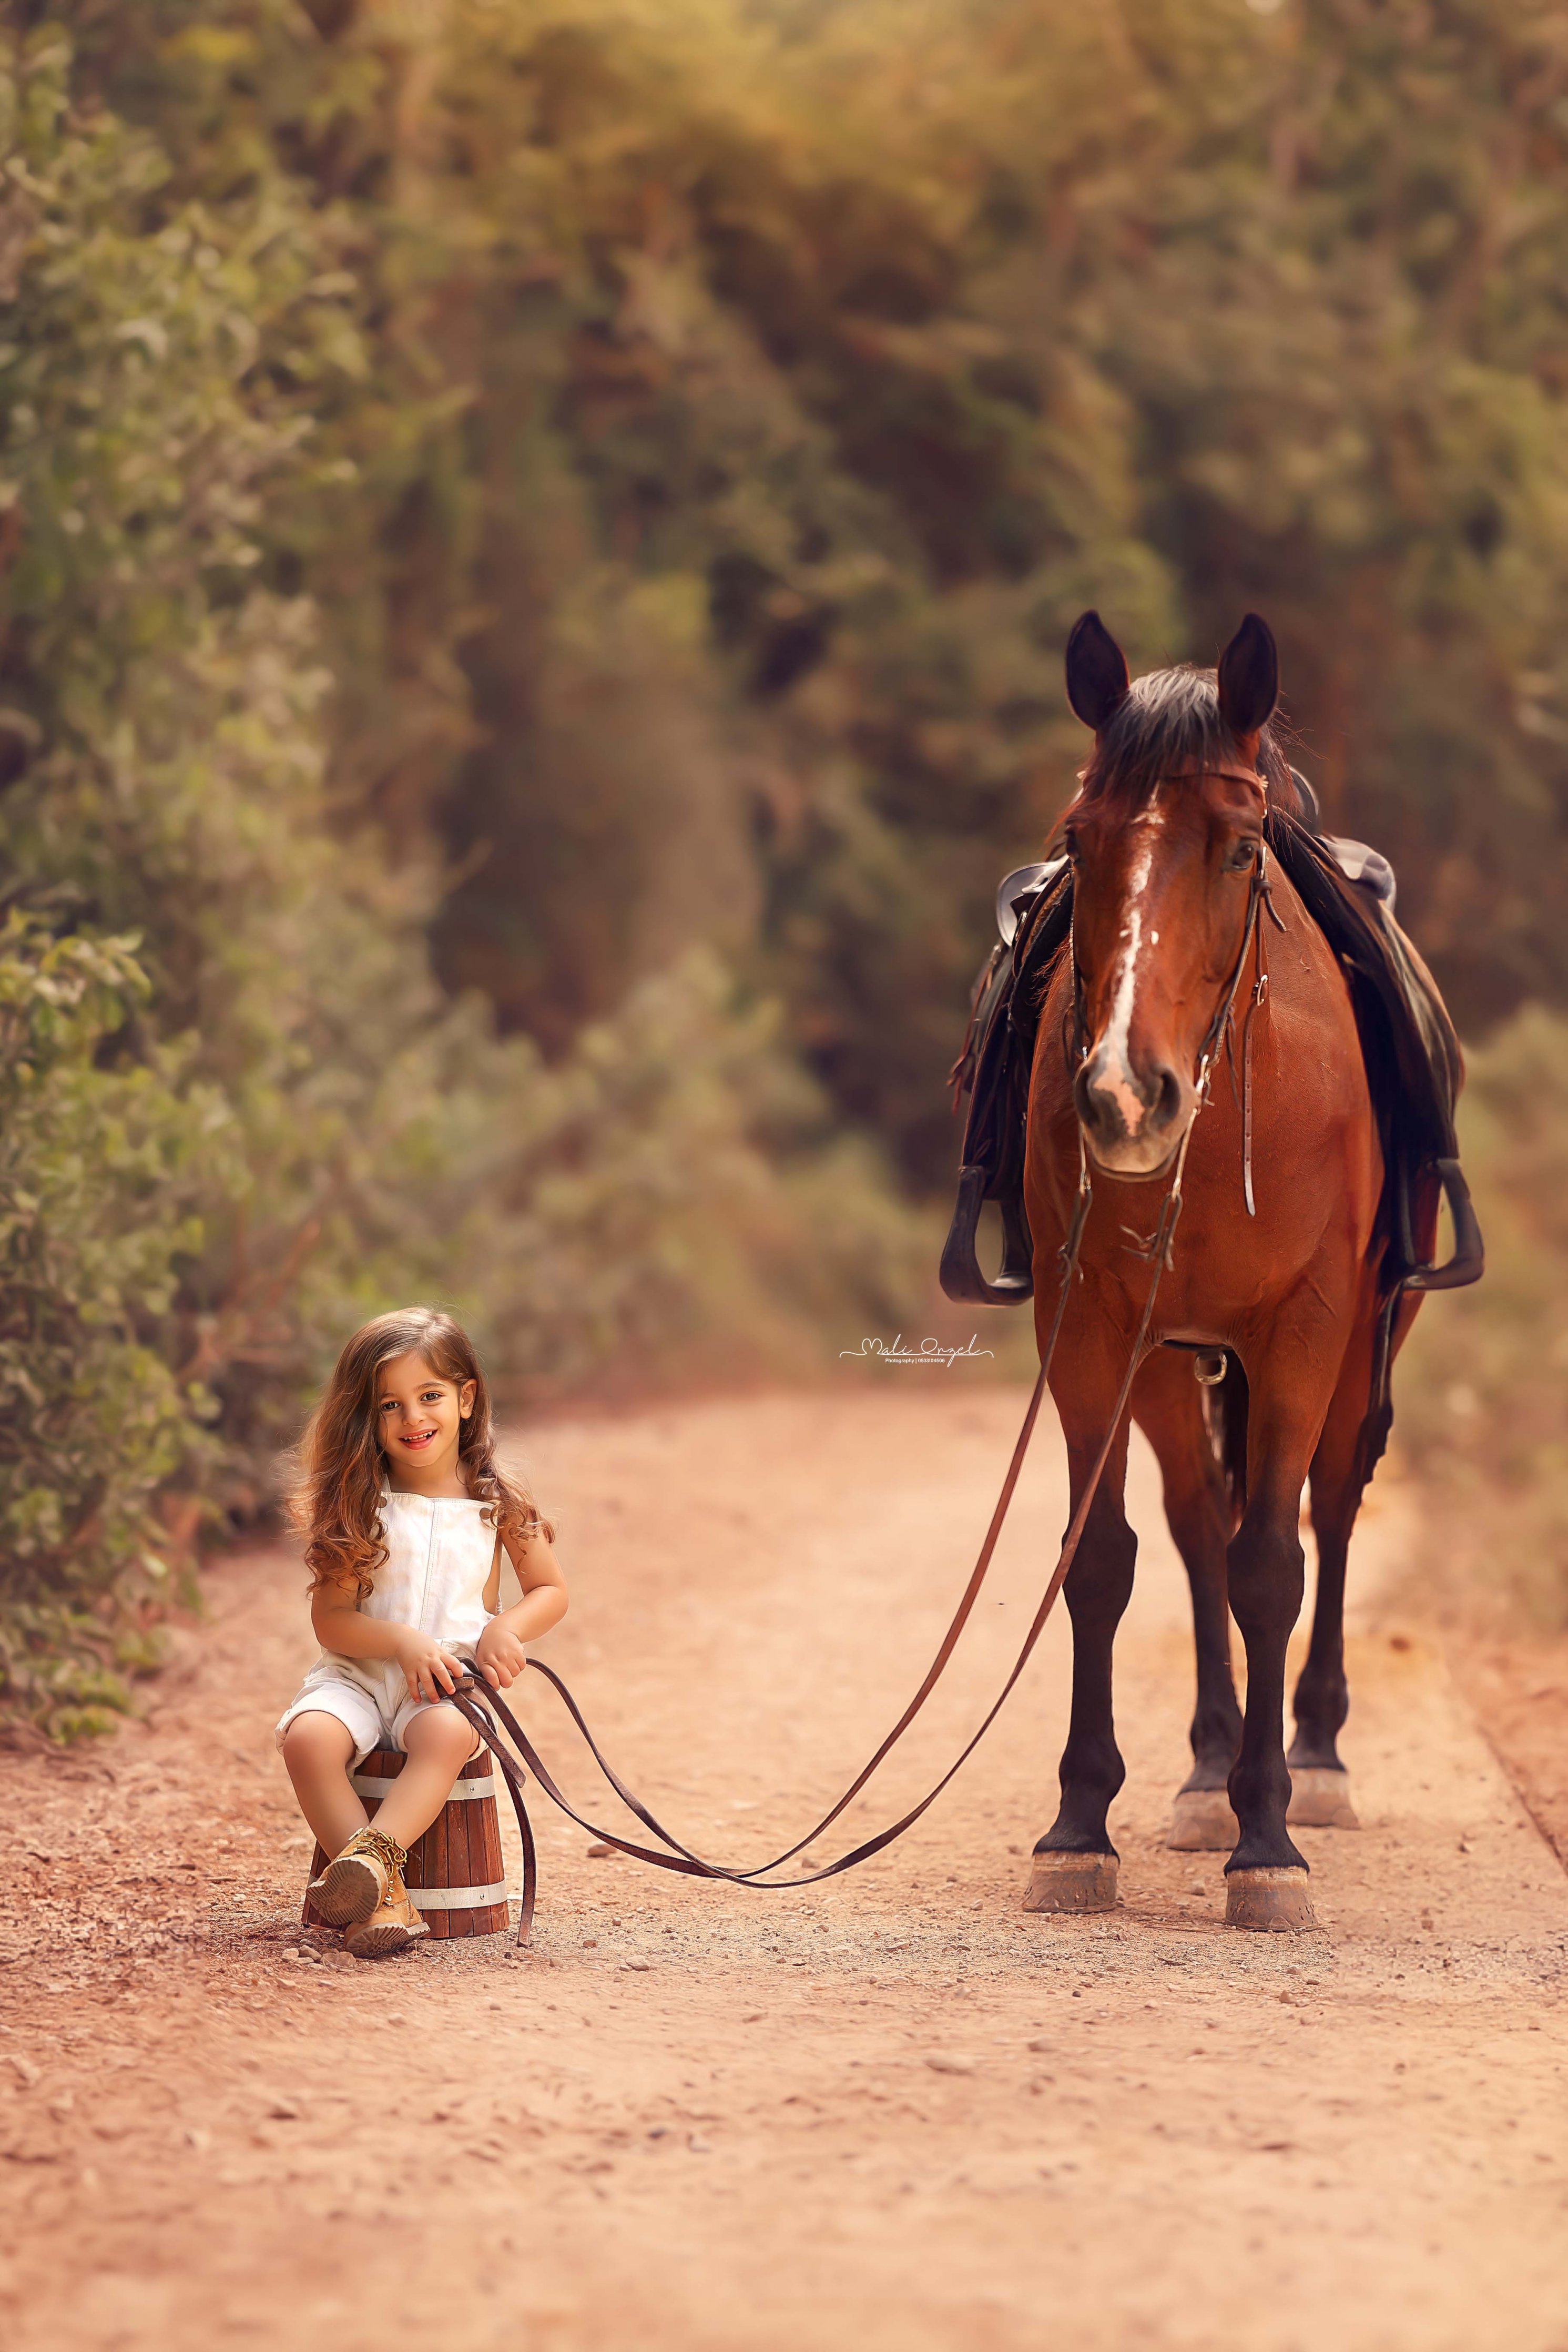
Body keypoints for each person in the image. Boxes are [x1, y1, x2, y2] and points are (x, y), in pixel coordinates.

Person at [276, 1307, 567, 1958]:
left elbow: (551, 1590)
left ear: (466, 1398)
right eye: (389, 1404)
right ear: (366, 1416)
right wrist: (400, 1640)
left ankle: (373, 1865)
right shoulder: (358, 1504)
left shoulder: (500, 1504)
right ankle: (382, 1897)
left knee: (446, 1732)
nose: (413, 1418)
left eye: (429, 1396)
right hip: (356, 1675)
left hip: (442, 1685)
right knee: (307, 1740)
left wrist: (508, 1628)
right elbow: (332, 1620)